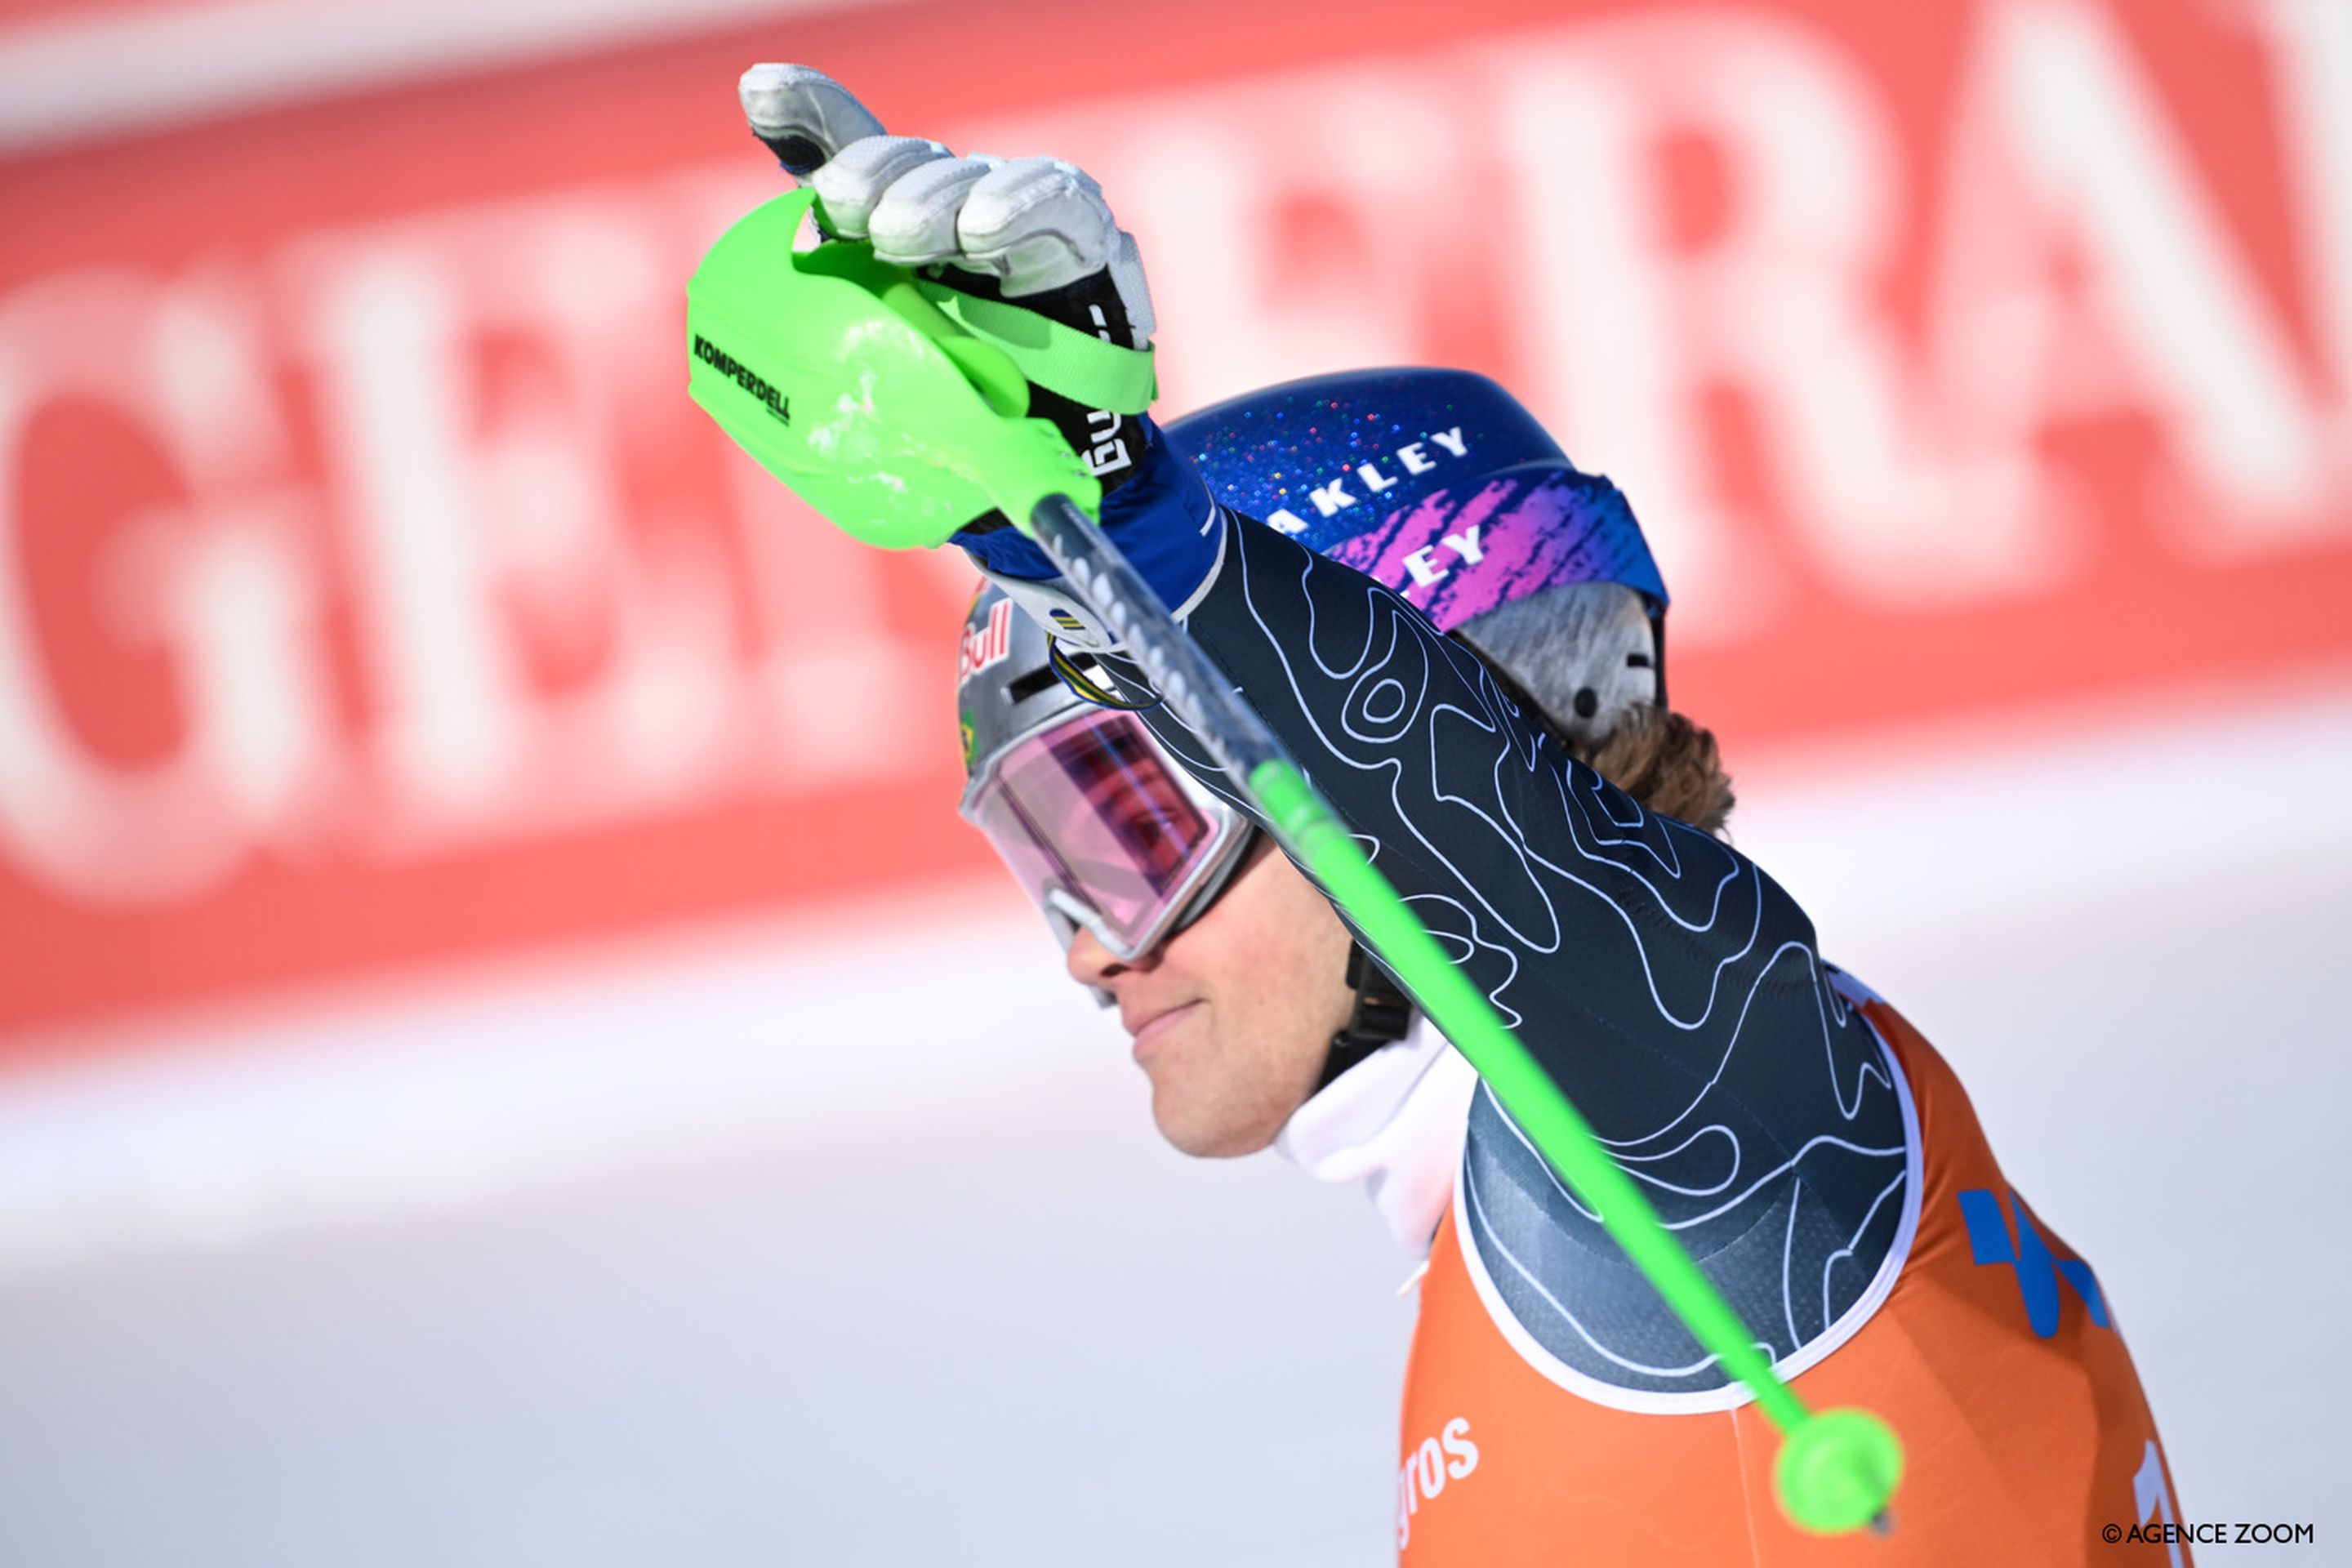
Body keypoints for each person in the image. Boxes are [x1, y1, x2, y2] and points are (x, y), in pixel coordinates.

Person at [729, 65, 2191, 1565]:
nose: (1091, 953)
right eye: (1058, 857)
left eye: (1145, 839)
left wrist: (1146, 534)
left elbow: (1575, 905)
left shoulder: (1710, 1142)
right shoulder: (1537, 1241)